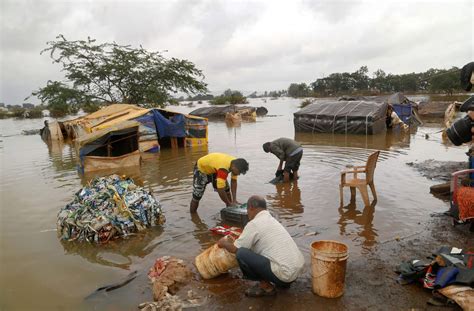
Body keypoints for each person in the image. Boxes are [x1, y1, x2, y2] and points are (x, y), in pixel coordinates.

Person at [217, 195, 304, 297]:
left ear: (251, 208)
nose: (247, 213)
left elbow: (235, 248)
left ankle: (266, 287)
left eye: (247, 210)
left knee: (241, 253)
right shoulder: (272, 220)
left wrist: (223, 243)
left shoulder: (254, 224)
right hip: (296, 270)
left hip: (285, 275)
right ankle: (284, 283)